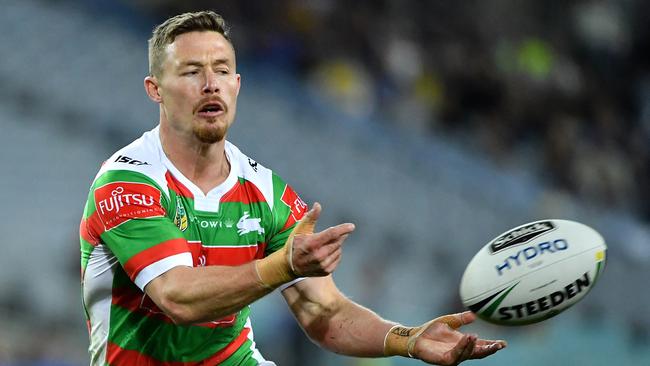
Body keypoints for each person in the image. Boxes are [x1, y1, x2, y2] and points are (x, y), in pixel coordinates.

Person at [79, 10, 506, 365]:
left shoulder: (266, 191)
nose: (210, 84)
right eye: (192, 72)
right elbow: (177, 297)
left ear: (237, 85)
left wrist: (408, 339)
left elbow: (325, 313)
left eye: (222, 70)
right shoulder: (127, 182)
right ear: (155, 90)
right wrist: (283, 266)